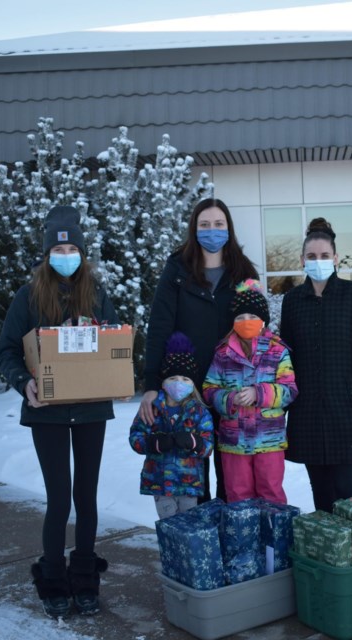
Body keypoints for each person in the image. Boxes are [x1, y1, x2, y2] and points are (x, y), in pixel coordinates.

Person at [0, 205, 116, 618]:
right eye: (58, 247)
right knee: (59, 498)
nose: (65, 253)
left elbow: (116, 344)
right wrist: (22, 382)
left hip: (90, 411)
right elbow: (7, 350)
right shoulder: (28, 297)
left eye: (72, 247)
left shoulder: (98, 294)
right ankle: (52, 581)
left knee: (87, 496)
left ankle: (85, 579)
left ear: (82, 252)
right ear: (47, 253)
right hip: (45, 411)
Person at [139, 198, 259, 504]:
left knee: (232, 469)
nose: (212, 231)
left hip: (231, 385)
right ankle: (199, 541)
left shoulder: (244, 272)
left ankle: (229, 537)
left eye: (219, 224)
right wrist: (152, 385)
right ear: (194, 229)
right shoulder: (177, 269)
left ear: (229, 229)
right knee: (192, 467)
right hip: (186, 387)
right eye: (204, 224)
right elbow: (159, 326)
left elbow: (259, 324)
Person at [279, 218, 352, 513]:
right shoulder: (292, 301)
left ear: (335, 258)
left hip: (348, 408)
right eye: (312, 257)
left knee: (345, 488)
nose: (319, 261)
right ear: (302, 260)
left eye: (324, 256)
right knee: (321, 489)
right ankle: (329, 551)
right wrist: (278, 402)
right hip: (307, 411)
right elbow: (285, 359)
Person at [202, 279, 297, 503]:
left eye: (253, 317)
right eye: (240, 317)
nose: (247, 322)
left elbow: (289, 390)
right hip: (234, 440)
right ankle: (244, 538)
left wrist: (259, 394)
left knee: (271, 493)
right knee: (237, 494)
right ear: (232, 321)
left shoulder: (277, 350)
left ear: (263, 320)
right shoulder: (223, 353)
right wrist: (229, 399)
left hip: (269, 439)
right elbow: (209, 389)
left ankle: (274, 537)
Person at [129, 332, 214, 519]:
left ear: (193, 384)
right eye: (173, 378)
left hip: (189, 485)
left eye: (185, 379)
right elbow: (136, 437)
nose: (179, 383)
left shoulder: (199, 412)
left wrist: (194, 442)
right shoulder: (152, 408)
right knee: (169, 526)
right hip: (160, 483)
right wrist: (153, 443)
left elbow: (208, 446)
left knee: (187, 527)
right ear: (164, 382)